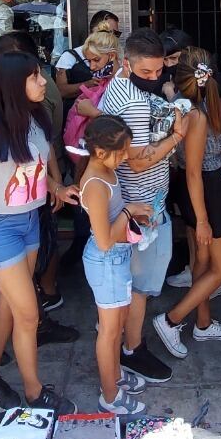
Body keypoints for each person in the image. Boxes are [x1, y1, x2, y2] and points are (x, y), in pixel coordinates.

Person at [0, 51, 79, 415]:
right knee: (28, 314)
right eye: (35, 76)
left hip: (29, 221)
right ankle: (35, 393)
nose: (42, 82)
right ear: (11, 84)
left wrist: (55, 187)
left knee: (10, 306)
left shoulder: (35, 120)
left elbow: (33, 168)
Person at [99, 29, 193, 385]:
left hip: (130, 202)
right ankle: (132, 349)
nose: (155, 79)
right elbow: (137, 162)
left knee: (130, 284)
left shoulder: (118, 86)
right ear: (127, 63)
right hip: (140, 208)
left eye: (159, 72)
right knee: (139, 287)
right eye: (147, 73)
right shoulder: (134, 102)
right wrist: (177, 136)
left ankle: (124, 341)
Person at [153, 48, 221, 356]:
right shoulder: (197, 114)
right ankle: (171, 319)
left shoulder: (183, 106)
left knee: (202, 263)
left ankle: (203, 324)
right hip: (206, 194)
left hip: (195, 194)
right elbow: (193, 171)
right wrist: (203, 219)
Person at [80, 115, 151, 415]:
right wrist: (129, 211)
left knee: (118, 324)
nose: (125, 157)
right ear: (99, 152)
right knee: (109, 331)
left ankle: (116, 375)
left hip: (117, 259)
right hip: (106, 260)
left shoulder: (106, 172)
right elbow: (105, 240)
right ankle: (109, 395)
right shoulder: (95, 183)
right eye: (120, 152)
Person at [53, 29, 118, 106]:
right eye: (89, 61)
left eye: (97, 60)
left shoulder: (121, 78)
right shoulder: (69, 56)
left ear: (112, 56)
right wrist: (87, 85)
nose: (92, 67)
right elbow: (61, 91)